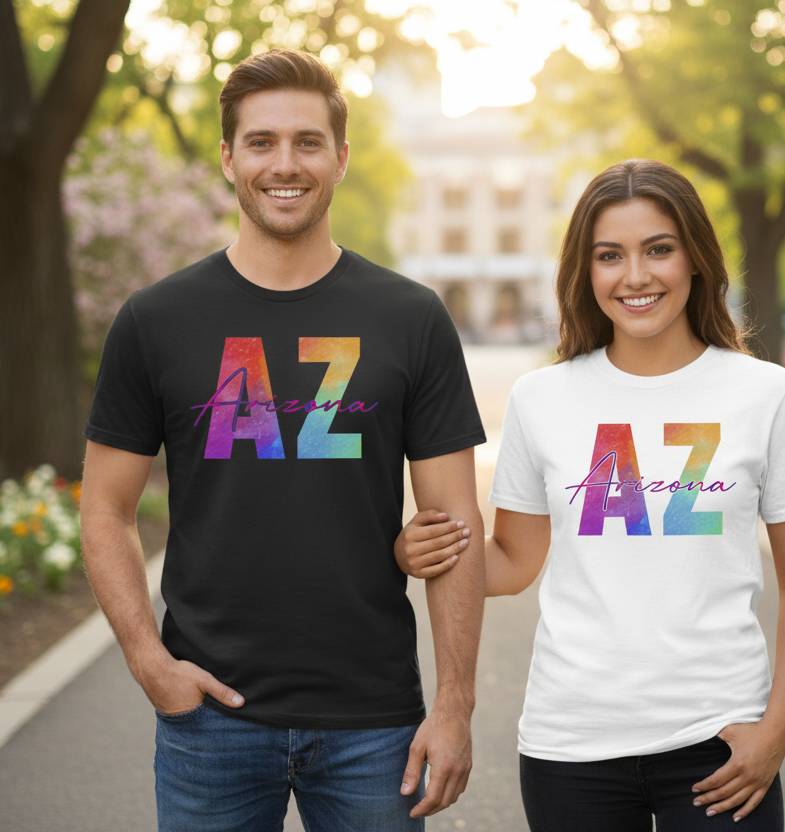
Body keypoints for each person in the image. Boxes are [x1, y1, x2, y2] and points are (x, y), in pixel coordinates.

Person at [79, 48, 486, 831]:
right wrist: (147, 661)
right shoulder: (156, 321)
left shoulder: (410, 318)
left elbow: (454, 531)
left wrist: (456, 706)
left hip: (375, 724)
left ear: (340, 156)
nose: (285, 163)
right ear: (228, 158)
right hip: (210, 723)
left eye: (307, 141)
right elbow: (105, 509)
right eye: (261, 142)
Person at [397, 159, 785, 830]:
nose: (636, 275)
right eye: (611, 256)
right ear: (586, 271)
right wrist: (424, 550)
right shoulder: (542, 398)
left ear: (695, 258)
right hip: (570, 746)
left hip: (720, 745)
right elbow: (514, 560)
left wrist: (778, 726)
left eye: (658, 249)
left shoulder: (766, 394)